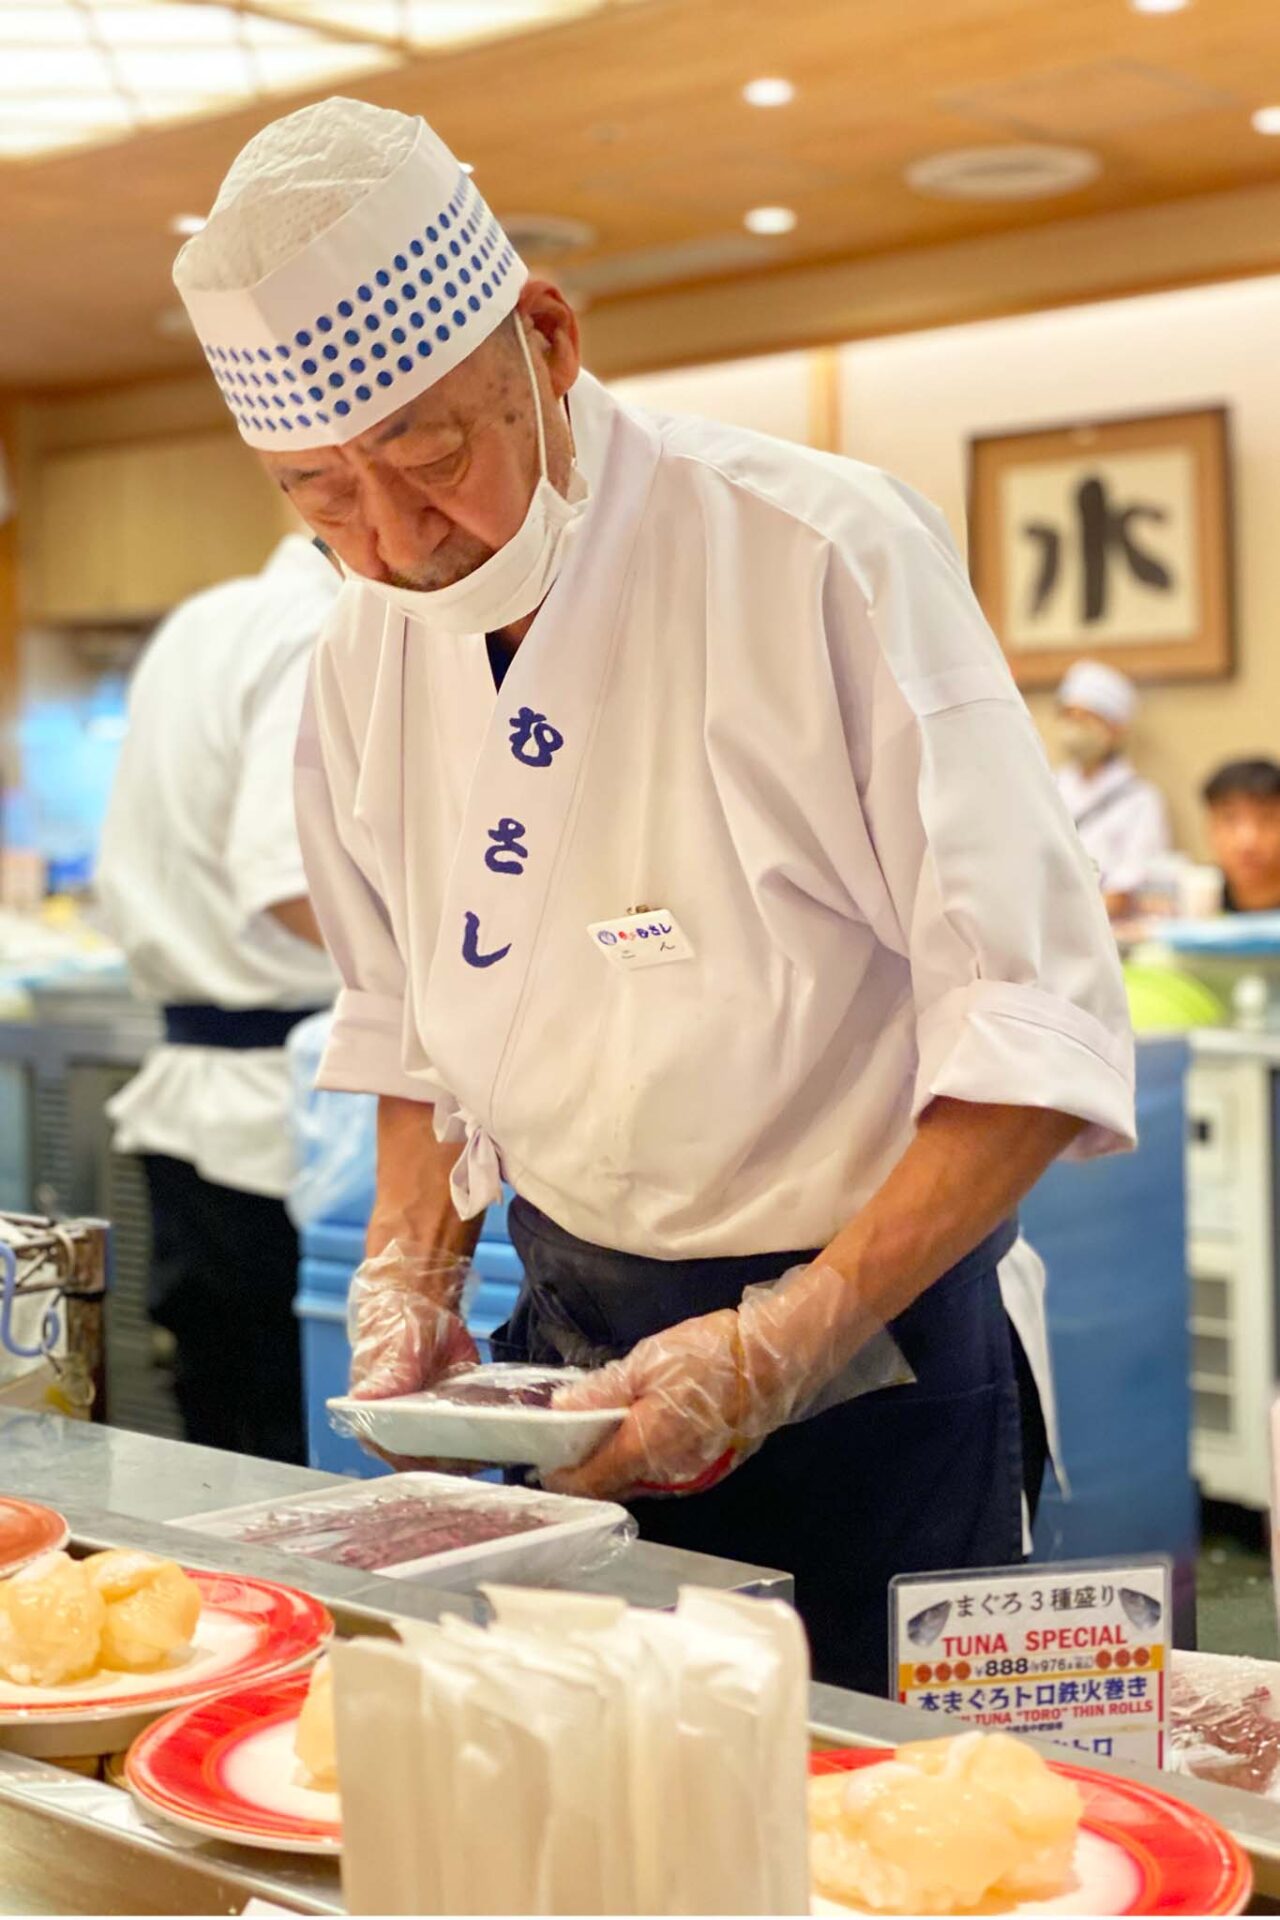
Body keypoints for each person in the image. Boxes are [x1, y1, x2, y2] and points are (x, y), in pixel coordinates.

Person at [172, 98, 1135, 1692]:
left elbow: (1031, 1022)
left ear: (546, 340)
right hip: (575, 1352)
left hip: (877, 1358)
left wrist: (780, 1342)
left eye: (432, 456)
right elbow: (414, 1015)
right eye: (318, 497)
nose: (399, 544)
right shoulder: (356, 652)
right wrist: (413, 1262)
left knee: (890, 1837)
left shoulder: (820, 552)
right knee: (603, 1800)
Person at [97, 535, 339, 1464]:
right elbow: (286, 878)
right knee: (287, 1447)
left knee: (216, 1435)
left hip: (196, 1112)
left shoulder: (204, 617)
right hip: (276, 1123)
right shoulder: (325, 627)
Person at [1054, 660, 1171, 919]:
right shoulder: (1047, 788)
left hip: (1109, 930)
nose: (1075, 727)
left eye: (1087, 718)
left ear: (1116, 728)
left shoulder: (1141, 800)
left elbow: (1133, 883)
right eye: (1069, 715)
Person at [1202, 758, 1280, 913]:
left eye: (1267, 818)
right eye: (1230, 818)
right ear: (1210, 827)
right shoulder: (1187, 903)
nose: (1248, 841)